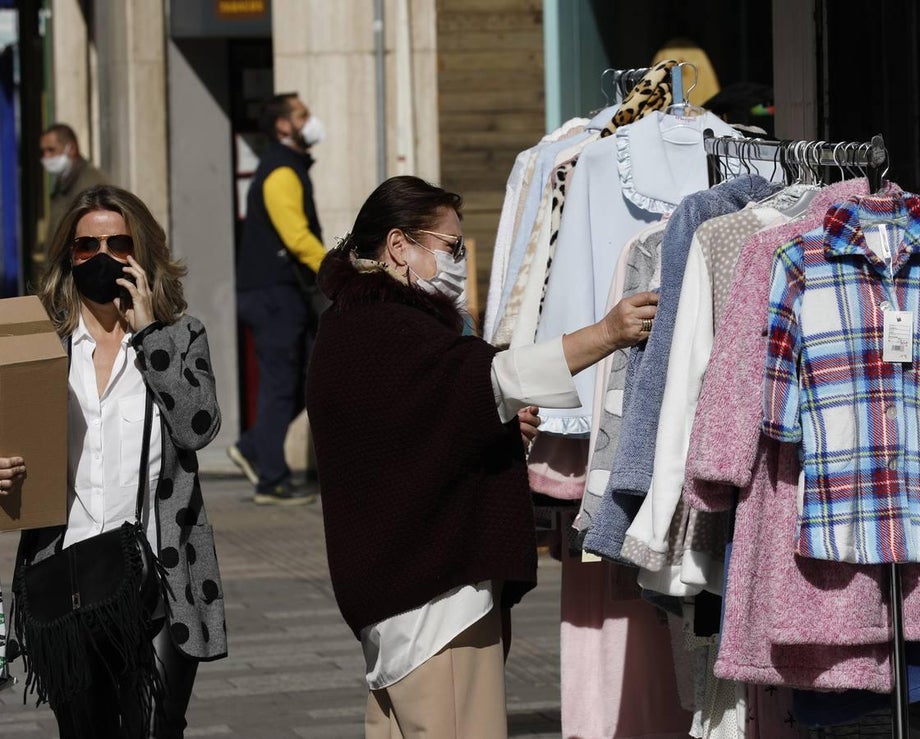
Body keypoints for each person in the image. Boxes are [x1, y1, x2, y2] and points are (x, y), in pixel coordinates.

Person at [305, 175, 658, 739]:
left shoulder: (350, 324)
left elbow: (411, 430)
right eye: (450, 247)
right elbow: (494, 376)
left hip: (391, 590)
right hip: (433, 597)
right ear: (399, 245)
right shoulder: (391, 329)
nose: (457, 261)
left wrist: (487, 425)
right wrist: (608, 332)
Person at [2, 185, 228, 737]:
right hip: (65, 578)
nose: (102, 256)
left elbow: (199, 427)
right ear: (68, 257)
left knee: (153, 728)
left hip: (157, 578)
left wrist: (148, 332)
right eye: (86, 246)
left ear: (141, 253)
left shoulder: (180, 335)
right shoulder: (41, 345)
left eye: (118, 243)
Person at [229, 92, 327, 506]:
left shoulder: (287, 167)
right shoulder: (281, 171)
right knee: (281, 384)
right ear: (284, 126)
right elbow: (297, 237)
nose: (312, 121)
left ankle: (253, 448)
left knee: (306, 379)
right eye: (303, 115)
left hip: (282, 293)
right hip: (274, 294)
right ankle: (270, 479)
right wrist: (336, 267)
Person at [40, 123, 109, 248]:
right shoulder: (63, 182)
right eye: (43, 151)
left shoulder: (91, 183)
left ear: (71, 149)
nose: (46, 157)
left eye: (51, 150)